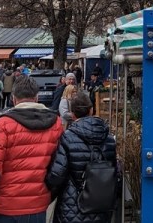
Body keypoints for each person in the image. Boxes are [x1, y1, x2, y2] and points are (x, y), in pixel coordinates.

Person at [0, 75, 63, 222]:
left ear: (13, 98)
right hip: (37, 204)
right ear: (36, 98)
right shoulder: (56, 124)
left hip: (6, 205)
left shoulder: (2, 125)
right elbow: (58, 167)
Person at [46, 92, 118, 223]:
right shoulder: (108, 139)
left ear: (72, 114)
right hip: (101, 206)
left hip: (71, 206)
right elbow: (115, 171)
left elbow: (57, 175)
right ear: (91, 110)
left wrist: (48, 197)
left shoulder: (68, 137)